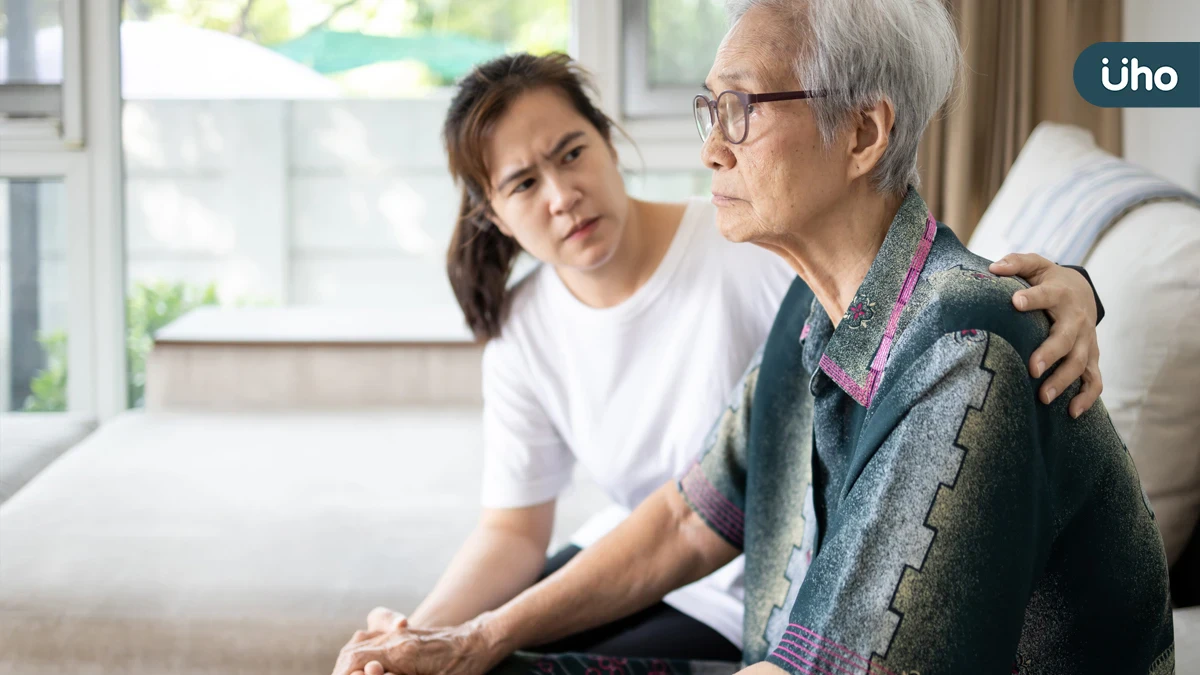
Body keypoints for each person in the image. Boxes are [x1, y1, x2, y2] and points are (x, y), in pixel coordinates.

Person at [331, 10, 1143, 669]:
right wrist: (470, 636)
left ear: (863, 134)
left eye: (741, 109)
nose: (711, 147)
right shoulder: (811, 308)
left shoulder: (961, 357)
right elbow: (691, 517)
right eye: (708, 109)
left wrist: (1074, 287)